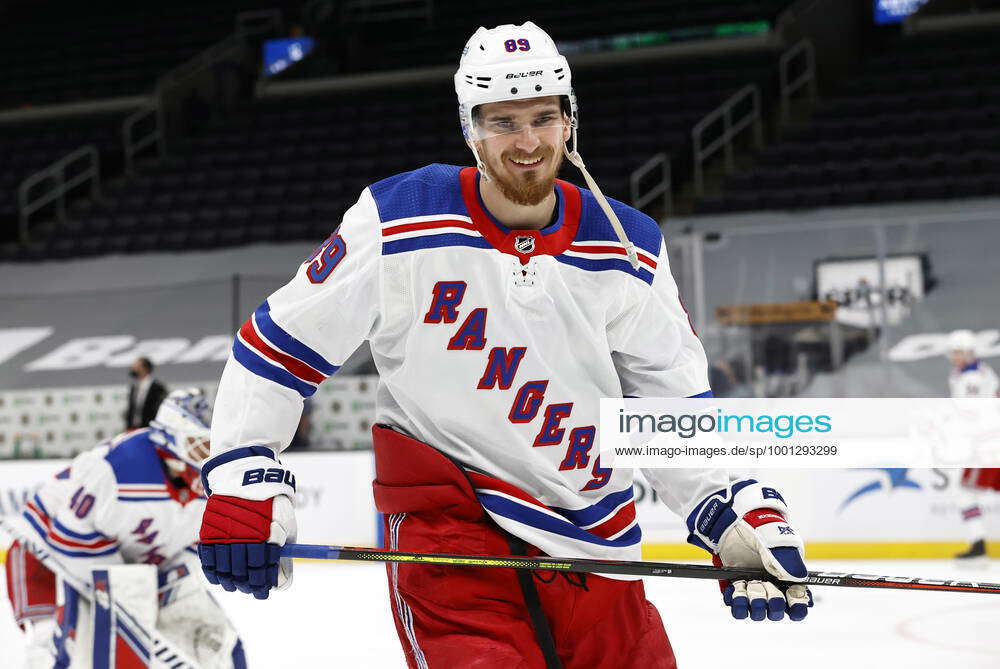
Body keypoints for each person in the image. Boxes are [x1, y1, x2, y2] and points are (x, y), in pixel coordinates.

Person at [197, 22, 813, 668]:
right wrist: (243, 474)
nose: (527, 142)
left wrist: (731, 510)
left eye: (544, 118)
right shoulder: (400, 218)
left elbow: (669, 400)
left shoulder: (627, 245)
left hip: (595, 544)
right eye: (502, 122)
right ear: (470, 129)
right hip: (450, 539)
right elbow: (278, 346)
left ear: (570, 121)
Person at [5, 389, 247, 668]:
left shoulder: (214, 478)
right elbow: (70, 537)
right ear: (171, 438)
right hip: (48, 554)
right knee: (52, 650)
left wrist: (164, 584)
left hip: (129, 565)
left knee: (218, 642)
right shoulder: (120, 467)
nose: (211, 454)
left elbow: (195, 543)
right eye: (201, 444)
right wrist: (121, 594)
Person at [946, 329, 999, 560]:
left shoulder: (972, 379)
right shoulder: (976, 373)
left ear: (968, 352)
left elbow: (970, 413)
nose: (955, 356)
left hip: (987, 443)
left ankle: (978, 544)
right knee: (965, 491)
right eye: (953, 352)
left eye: (958, 352)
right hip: (986, 440)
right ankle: (977, 543)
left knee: (965, 492)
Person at [124, 356, 168, 430]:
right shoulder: (134, 387)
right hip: (134, 428)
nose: (133, 368)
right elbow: (132, 409)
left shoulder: (157, 388)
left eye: (136, 366)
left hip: (150, 429)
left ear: (145, 369)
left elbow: (159, 410)